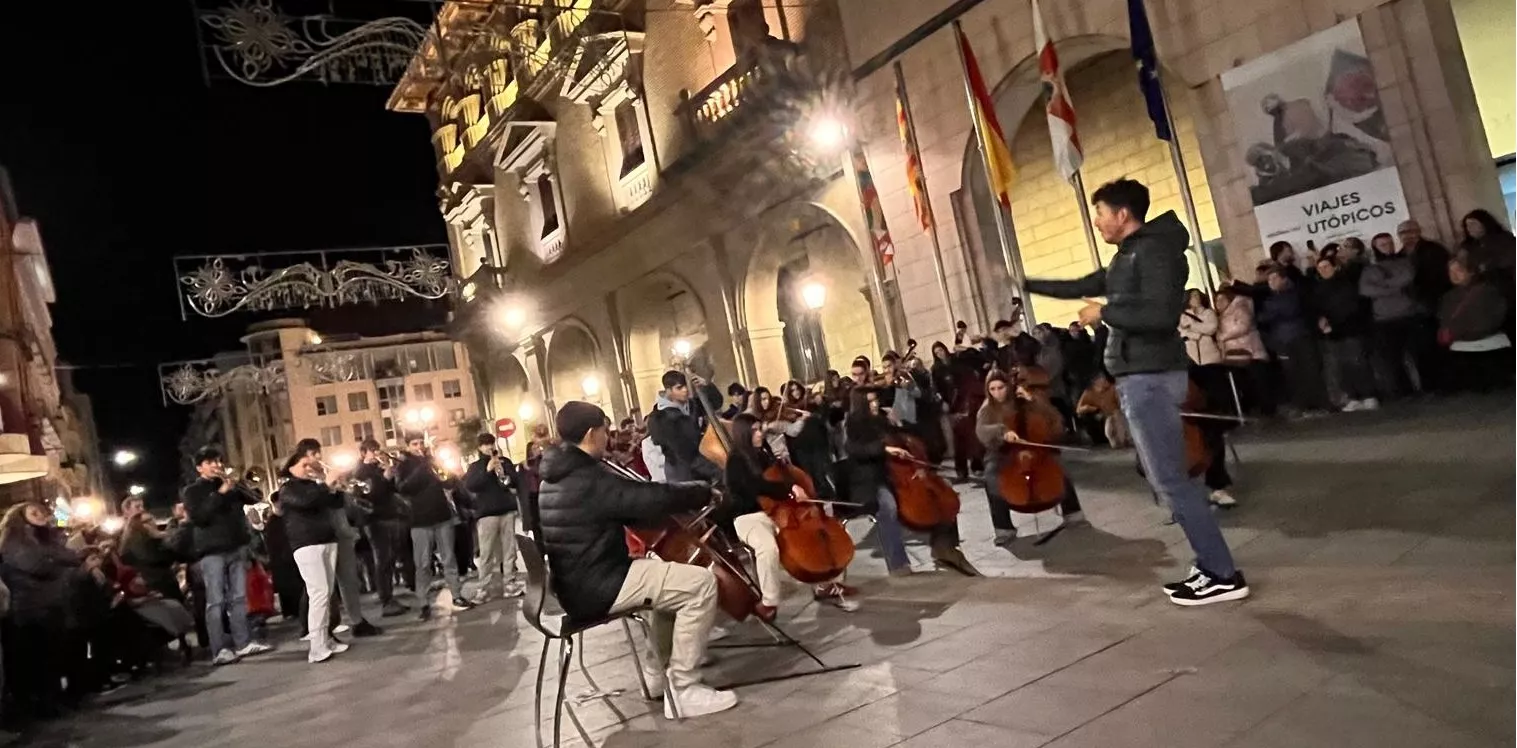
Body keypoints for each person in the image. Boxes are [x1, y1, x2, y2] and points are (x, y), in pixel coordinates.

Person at [1024, 177, 1248, 606]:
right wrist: (1027, 283)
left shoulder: (1154, 252)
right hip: (1138, 375)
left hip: (1150, 376)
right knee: (1168, 479)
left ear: (1122, 214)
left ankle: (1222, 573)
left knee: (1172, 481)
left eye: (1101, 214)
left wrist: (1104, 312)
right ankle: (1209, 564)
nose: (1097, 223)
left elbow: (1161, 314)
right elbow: (1084, 282)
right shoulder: (1130, 255)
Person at [536, 400, 738, 718]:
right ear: (592, 433)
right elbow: (644, 499)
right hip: (599, 583)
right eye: (605, 430)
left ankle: (657, 677)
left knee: (670, 581)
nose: (608, 437)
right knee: (701, 583)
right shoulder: (588, 477)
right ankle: (684, 689)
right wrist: (699, 491)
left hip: (579, 581)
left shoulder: (555, 476)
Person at [843, 388, 977, 577]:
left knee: (943, 493)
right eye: (870, 401)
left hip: (900, 475)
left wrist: (898, 424)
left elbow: (911, 439)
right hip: (874, 480)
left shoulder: (882, 419)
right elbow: (855, 449)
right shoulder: (854, 424)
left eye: (875, 400)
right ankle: (897, 564)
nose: (875, 404)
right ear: (860, 404)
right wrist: (885, 448)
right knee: (887, 507)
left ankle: (944, 546)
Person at [181, 447, 275, 664]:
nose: (216, 465)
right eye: (210, 462)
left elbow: (255, 498)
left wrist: (239, 484)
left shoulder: (230, 486)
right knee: (216, 602)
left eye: (218, 461)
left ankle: (243, 643)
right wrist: (221, 493)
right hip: (211, 551)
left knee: (240, 599)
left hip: (236, 547)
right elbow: (199, 517)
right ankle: (220, 649)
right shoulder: (192, 491)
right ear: (199, 468)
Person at [978, 370, 1089, 546]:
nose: (997, 393)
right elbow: (982, 430)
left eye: (1001, 387)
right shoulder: (987, 409)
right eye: (993, 389)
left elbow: (1054, 420)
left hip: (1037, 448)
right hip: (1004, 452)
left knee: (1059, 466)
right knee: (990, 477)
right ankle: (1003, 528)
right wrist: (1002, 432)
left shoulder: (1025, 400)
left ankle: (1073, 513)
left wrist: (1034, 401)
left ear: (1009, 386)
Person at [0, 502, 76, 720]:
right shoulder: (14, 541)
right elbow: (38, 565)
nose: (41, 516)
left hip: (51, 604)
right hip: (30, 608)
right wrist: (55, 561)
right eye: (34, 513)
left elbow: (69, 555)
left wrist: (60, 517)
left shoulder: (47, 537)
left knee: (54, 656)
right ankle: (43, 705)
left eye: (43, 512)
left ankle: (54, 700)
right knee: (40, 659)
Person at [720, 414, 798, 622]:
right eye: (754, 430)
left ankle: (826, 583)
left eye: (759, 429)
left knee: (806, 538)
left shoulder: (765, 454)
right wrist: (787, 488)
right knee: (767, 547)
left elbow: (778, 477)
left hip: (775, 512)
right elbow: (755, 486)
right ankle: (769, 602)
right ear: (744, 434)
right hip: (749, 517)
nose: (760, 433)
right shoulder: (736, 460)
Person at [278, 448, 351, 663]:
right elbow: (306, 502)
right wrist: (327, 483)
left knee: (327, 593)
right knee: (318, 594)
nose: (309, 468)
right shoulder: (288, 489)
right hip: (306, 543)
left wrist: (337, 488)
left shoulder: (314, 486)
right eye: (304, 465)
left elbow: (334, 504)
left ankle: (327, 638)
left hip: (326, 539)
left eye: (310, 465)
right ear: (290, 467)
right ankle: (316, 647)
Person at [396, 434, 475, 620]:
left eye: (420, 443)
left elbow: (447, 482)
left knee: (449, 559)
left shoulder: (432, 460)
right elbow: (403, 488)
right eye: (414, 444)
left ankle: (456, 596)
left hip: (442, 516)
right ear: (407, 446)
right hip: (419, 521)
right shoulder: (404, 465)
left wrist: (449, 473)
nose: (419, 446)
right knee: (422, 564)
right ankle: (423, 603)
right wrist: (422, 468)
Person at [1361, 232, 1433, 398]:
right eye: (1383, 245)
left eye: (1389, 243)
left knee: (1420, 354)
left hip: (1409, 314)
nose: (1388, 247)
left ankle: (1428, 387)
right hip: (1385, 319)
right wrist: (1394, 287)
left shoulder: (1405, 262)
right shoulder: (1369, 269)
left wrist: (1382, 287)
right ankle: (1405, 391)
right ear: (1375, 248)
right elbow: (1366, 290)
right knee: (1394, 359)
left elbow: (1407, 278)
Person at [1257, 268, 1330, 415]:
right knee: (1293, 374)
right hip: (1283, 340)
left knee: (1310, 370)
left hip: (1300, 336)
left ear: (1283, 279)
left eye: (1274, 278)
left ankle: (1319, 403)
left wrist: (1275, 311)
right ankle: (1302, 404)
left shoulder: (1295, 293)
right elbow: (1262, 317)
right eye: (1269, 280)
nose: (1271, 283)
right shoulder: (1270, 299)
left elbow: (1291, 309)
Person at [464, 434, 524, 603]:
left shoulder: (504, 461)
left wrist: (506, 475)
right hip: (487, 514)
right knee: (487, 552)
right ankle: (483, 588)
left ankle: (510, 584)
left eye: (491, 444)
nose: (489, 447)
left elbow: (514, 481)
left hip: (506, 510)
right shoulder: (475, 466)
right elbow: (471, 485)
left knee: (509, 550)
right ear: (479, 448)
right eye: (485, 445)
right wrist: (487, 471)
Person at [1438, 256, 1512, 392]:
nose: (1454, 275)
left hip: (1485, 335)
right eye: (1451, 272)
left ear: (1470, 271)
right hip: (1463, 338)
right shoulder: (1448, 297)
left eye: (1458, 270)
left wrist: (1481, 329)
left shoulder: (1487, 290)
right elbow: (1445, 318)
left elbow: (1497, 313)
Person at [355, 440, 409, 617]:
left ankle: (390, 597)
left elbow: (393, 491)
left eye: (377, 449)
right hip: (375, 520)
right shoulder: (361, 472)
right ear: (363, 453)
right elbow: (368, 496)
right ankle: (386, 600)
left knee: (390, 560)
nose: (376, 453)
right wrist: (384, 478)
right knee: (382, 561)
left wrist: (391, 476)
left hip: (389, 516)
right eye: (372, 450)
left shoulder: (378, 469)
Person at [646, 371, 722, 484]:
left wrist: (707, 386)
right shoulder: (661, 417)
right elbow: (683, 452)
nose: (685, 390)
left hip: (700, 466)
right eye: (679, 388)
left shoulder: (691, 405)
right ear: (668, 390)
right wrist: (715, 471)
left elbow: (715, 403)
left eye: (686, 385)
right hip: (681, 473)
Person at [1075, 371, 1128, 448]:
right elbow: (1079, 409)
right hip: (1101, 416)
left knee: (1116, 416)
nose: (1104, 382)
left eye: (1104, 379)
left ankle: (1121, 439)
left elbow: (1120, 403)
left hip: (1115, 414)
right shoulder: (1089, 393)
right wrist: (1094, 409)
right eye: (1101, 380)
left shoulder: (1112, 389)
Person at [1179, 289, 1222, 367]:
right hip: (1192, 356)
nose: (1196, 298)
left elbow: (1211, 328)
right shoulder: (1183, 316)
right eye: (1193, 296)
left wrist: (1192, 325)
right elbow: (1181, 332)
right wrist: (1196, 334)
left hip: (1210, 356)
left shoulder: (1208, 313)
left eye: (1197, 295)